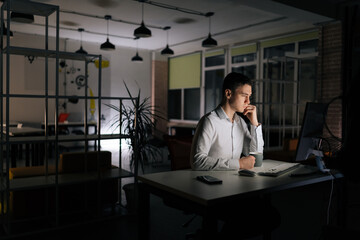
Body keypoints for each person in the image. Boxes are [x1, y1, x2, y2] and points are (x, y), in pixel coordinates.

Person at [190, 72, 264, 170]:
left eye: (249, 96)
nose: (248, 101)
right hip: (211, 183)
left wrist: (254, 124)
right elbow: (197, 161)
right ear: (228, 94)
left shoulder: (241, 122)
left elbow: (256, 157)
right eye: (244, 95)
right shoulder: (209, 121)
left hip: (234, 182)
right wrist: (239, 164)